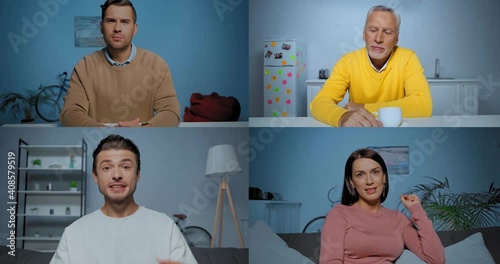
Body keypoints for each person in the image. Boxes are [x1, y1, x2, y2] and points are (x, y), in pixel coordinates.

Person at [50, 135, 197, 264]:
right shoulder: (73, 233)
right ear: (95, 176)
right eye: (107, 168)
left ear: (137, 174)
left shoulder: (165, 227)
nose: (116, 175)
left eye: (126, 167)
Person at [60, 0, 180, 127]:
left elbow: (171, 112)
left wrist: (144, 129)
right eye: (111, 21)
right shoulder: (84, 67)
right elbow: (70, 114)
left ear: (135, 29)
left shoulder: (157, 65)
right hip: (99, 144)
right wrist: (105, 133)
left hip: (143, 143)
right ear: (101, 27)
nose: (117, 28)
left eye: (125, 22)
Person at [310, 5, 432, 127]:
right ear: (363, 34)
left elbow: (423, 105)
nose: (378, 39)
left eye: (387, 32)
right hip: (360, 131)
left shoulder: (408, 58)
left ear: (396, 39)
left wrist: (365, 108)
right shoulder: (348, 61)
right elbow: (319, 103)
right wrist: (342, 117)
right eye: (373, 30)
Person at [319, 148, 445, 264]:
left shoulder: (399, 219)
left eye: (375, 172)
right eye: (360, 175)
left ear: (384, 177)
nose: (369, 181)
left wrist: (417, 211)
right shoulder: (339, 214)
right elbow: (330, 261)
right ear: (352, 182)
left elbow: (436, 259)